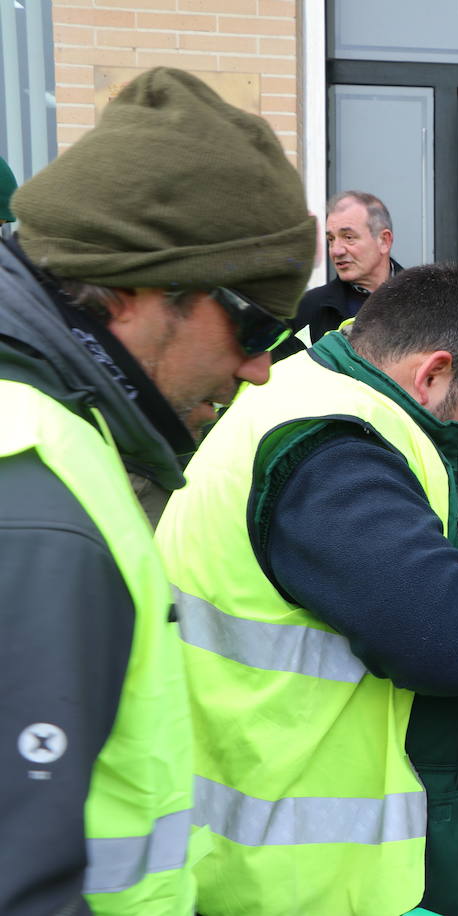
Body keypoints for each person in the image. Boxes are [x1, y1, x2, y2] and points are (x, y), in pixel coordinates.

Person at [155, 263, 458, 916]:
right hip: (300, 873)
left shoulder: (301, 387)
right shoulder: (334, 445)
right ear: (432, 374)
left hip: (269, 830)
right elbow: (439, 626)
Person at [0, 67, 314, 916]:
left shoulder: (58, 434)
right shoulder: (35, 490)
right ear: (138, 289)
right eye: (255, 325)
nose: (259, 368)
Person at [276, 190, 401, 357]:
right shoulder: (305, 310)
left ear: (384, 241)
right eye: (331, 239)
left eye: (348, 237)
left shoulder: (425, 301)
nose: (336, 250)